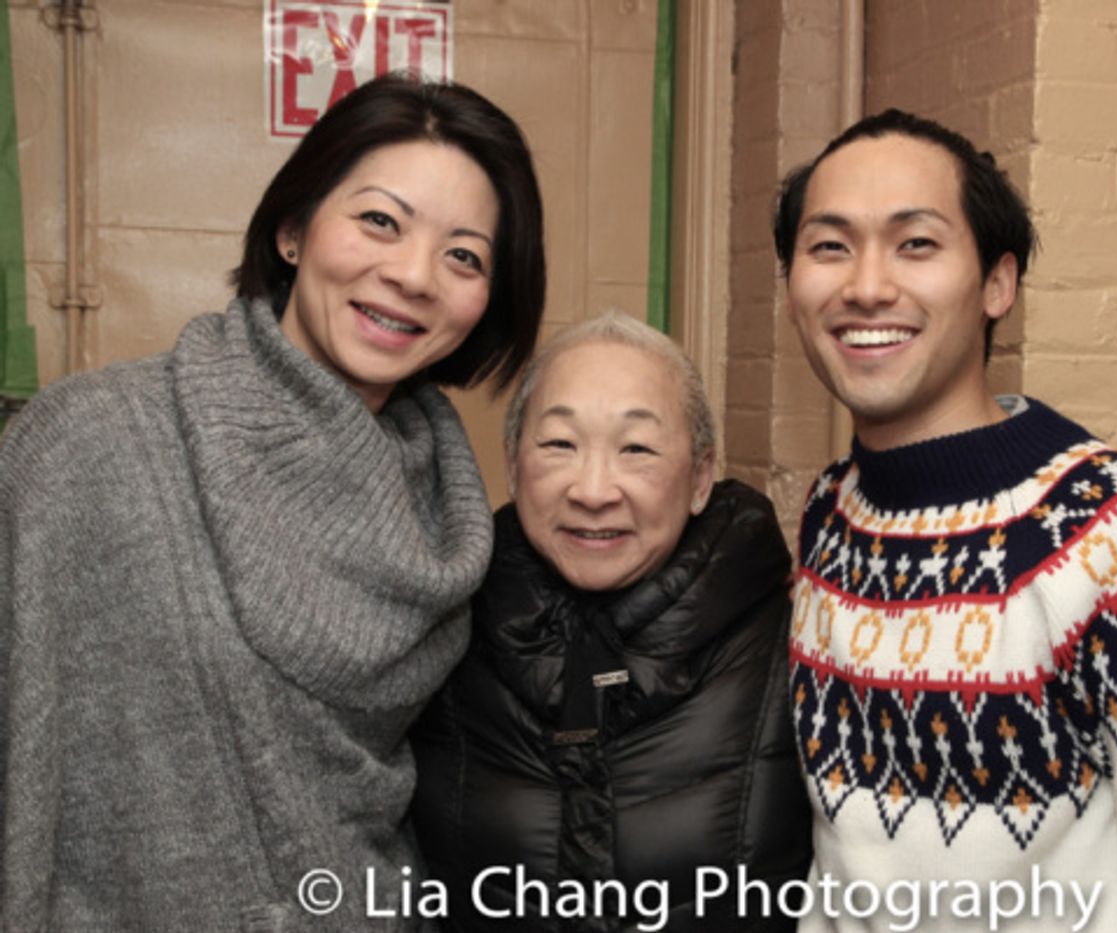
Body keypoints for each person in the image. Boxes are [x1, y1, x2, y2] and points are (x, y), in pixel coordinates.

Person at [0, 74, 545, 931]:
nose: (411, 274)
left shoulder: (450, 520)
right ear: (293, 230)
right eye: (379, 221)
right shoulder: (92, 440)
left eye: (464, 255)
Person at [774, 109, 1117, 931]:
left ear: (998, 284)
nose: (865, 285)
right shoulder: (833, 511)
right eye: (829, 246)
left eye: (916, 244)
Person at [410, 311, 812, 932]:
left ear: (701, 476)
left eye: (637, 449)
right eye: (559, 445)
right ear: (514, 466)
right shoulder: (440, 635)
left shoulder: (797, 643)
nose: (594, 490)